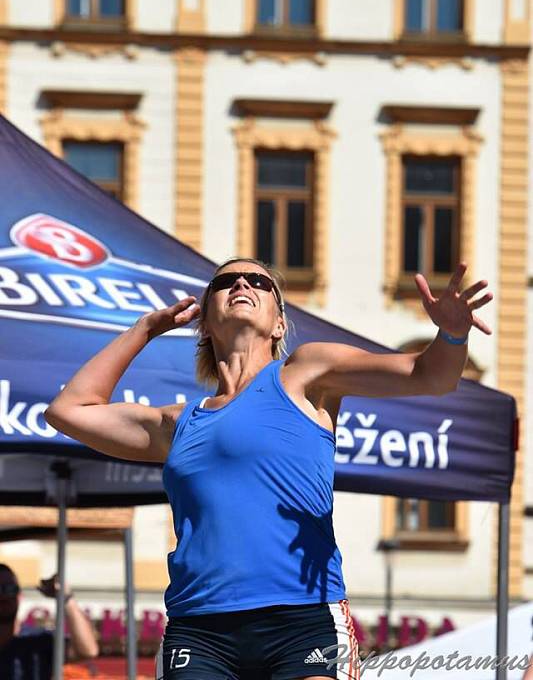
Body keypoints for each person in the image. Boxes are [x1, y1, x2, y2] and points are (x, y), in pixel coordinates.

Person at [44, 257, 493, 680]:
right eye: (225, 282)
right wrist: (144, 329)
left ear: (280, 322)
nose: (242, 284)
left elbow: (430, 376)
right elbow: (68, 410)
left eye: (259, 282)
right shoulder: (177, 423)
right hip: (200, 628)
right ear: (203, 323)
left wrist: (452, 336)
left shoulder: (305, 374)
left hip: (301, 617)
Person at [0, 562, 99, 679]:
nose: (3, 596)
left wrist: (67, 599)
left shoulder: (38, 641)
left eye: (10, 589)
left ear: (20, 595)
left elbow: (88, 651)